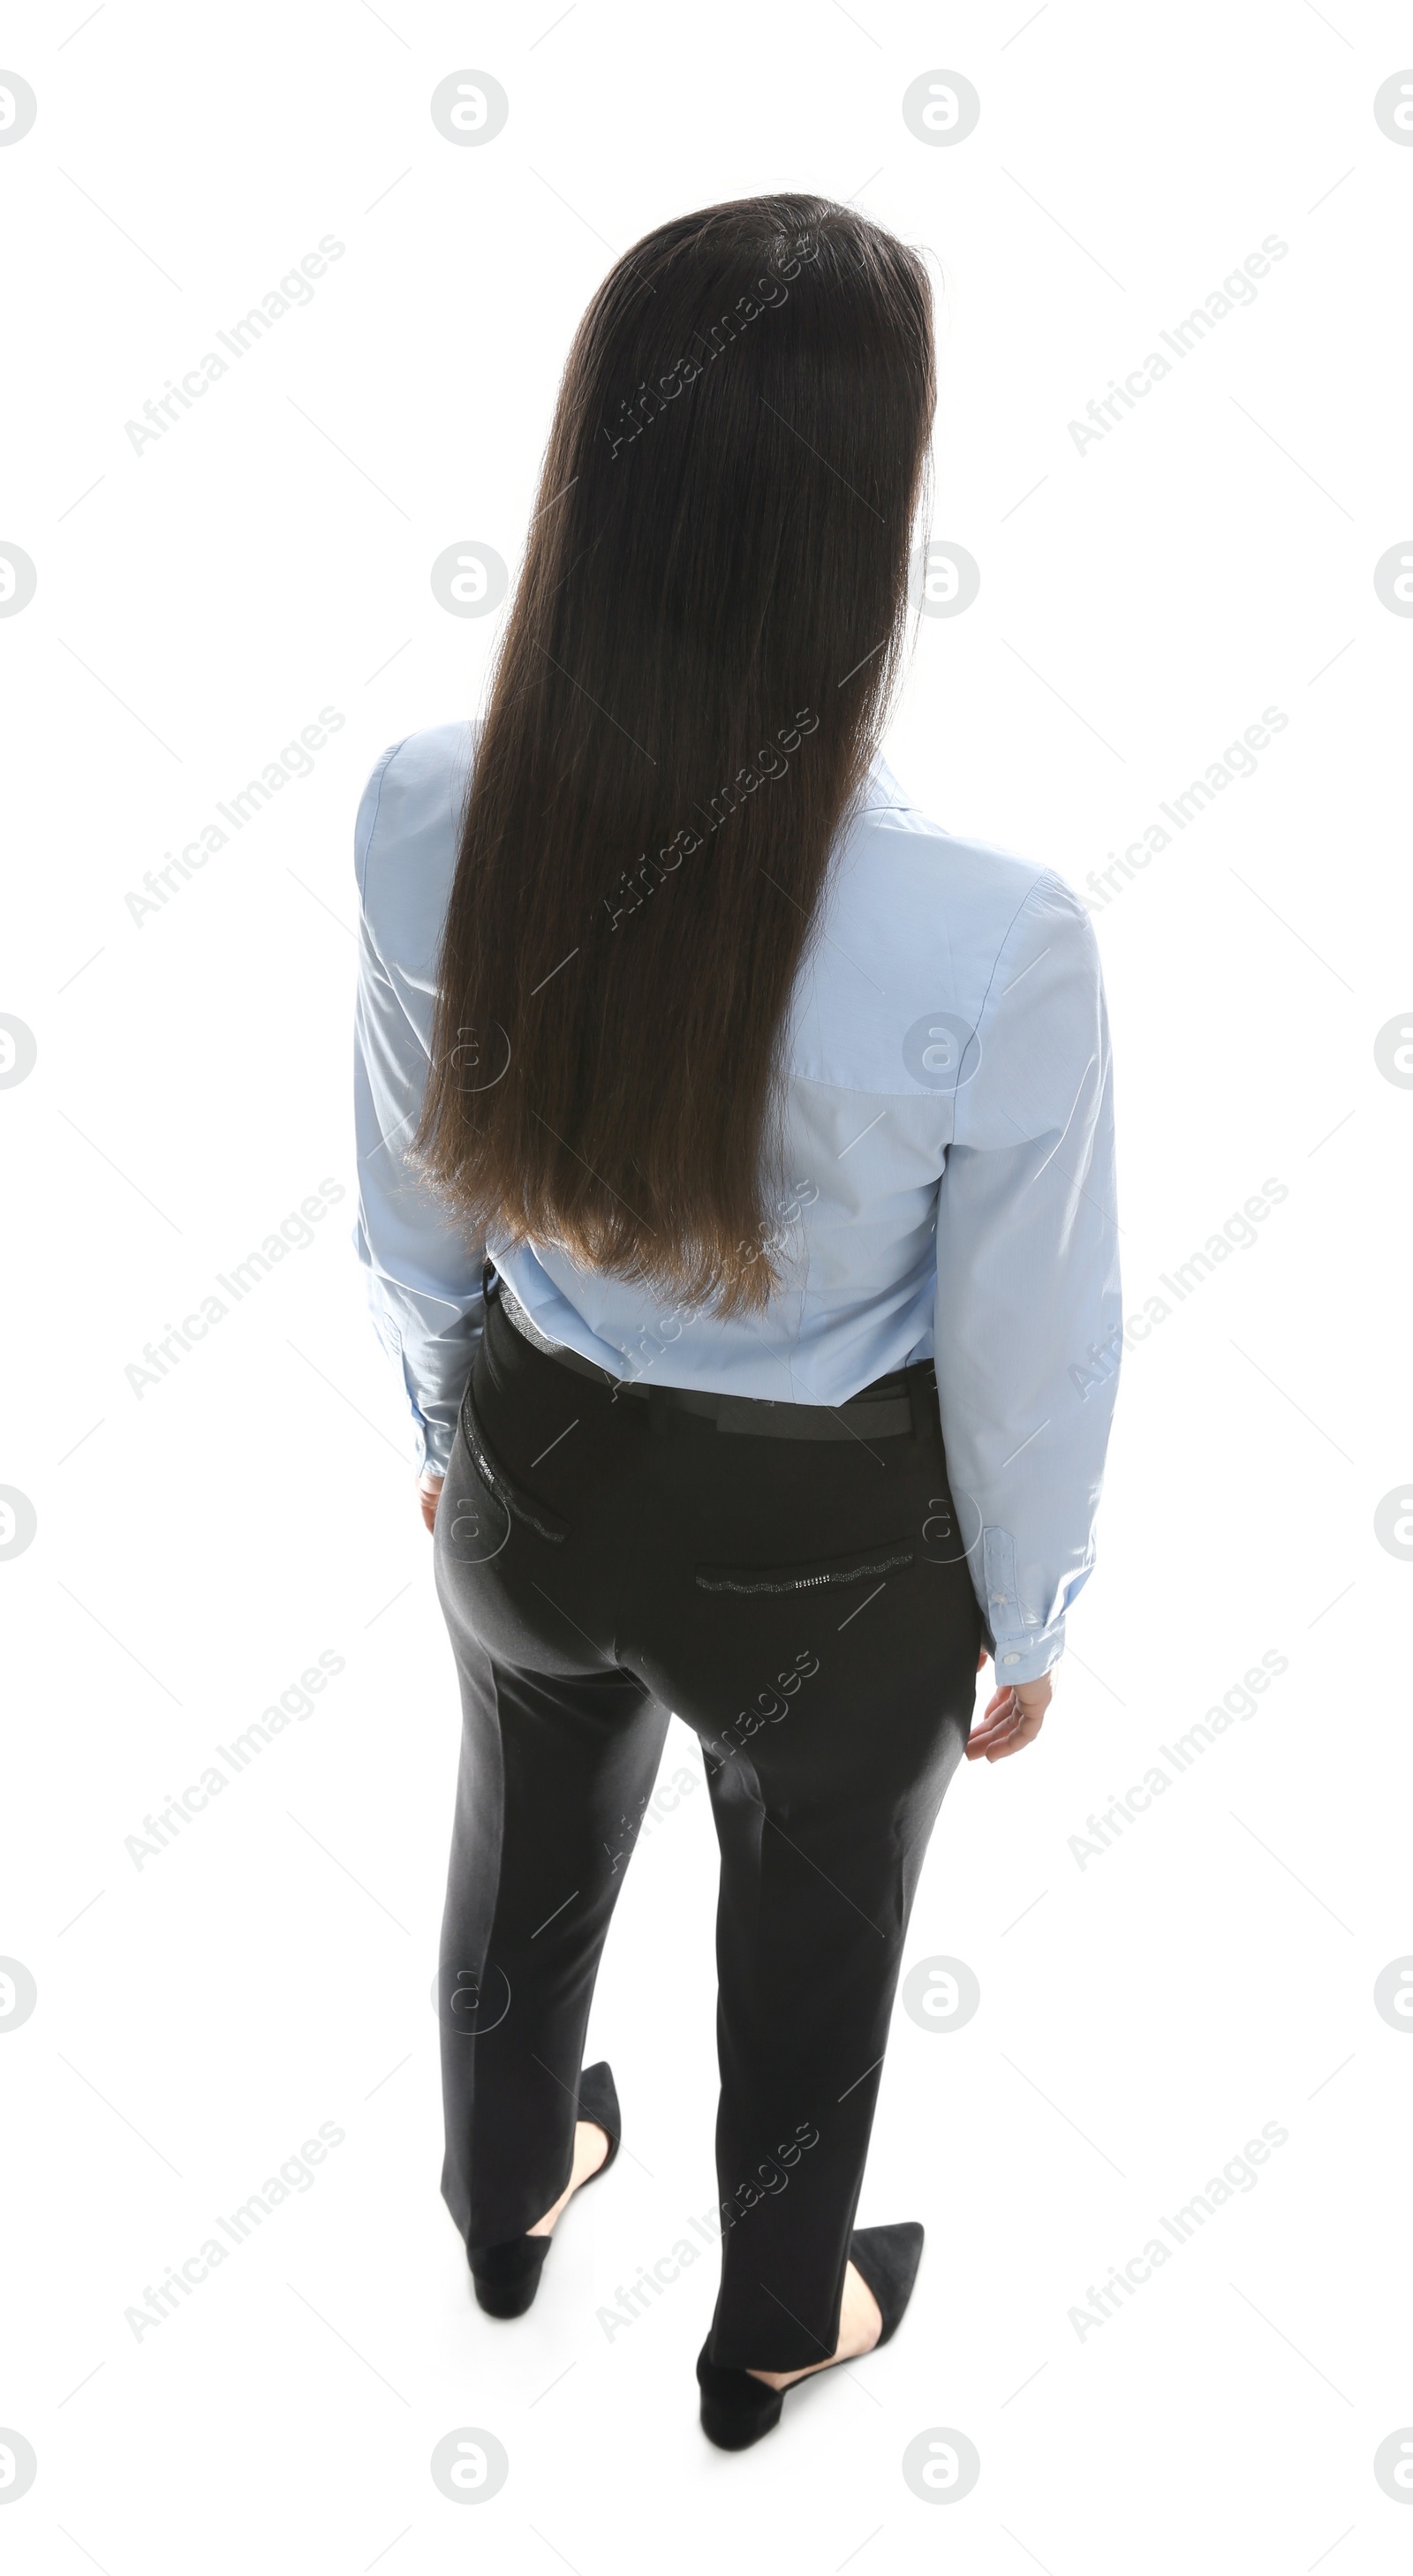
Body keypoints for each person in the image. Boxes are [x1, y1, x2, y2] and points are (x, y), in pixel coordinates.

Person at [351, 192, 1121, 2451]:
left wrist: (440, 1416)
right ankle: (772, 2327)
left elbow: (409, 1184)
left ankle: (503, 2194)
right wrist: (1036, 1604)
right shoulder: (995, 938)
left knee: (518, 1854)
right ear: (861, 523)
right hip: (829, 1557)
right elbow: (1028, 1339)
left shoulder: (425, 807)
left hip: (527, 1463)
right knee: (811, 1960)